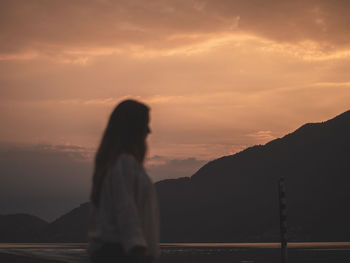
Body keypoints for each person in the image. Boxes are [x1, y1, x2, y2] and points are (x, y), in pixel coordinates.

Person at [88, 99, 160, 263]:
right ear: (132, 129)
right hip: (123, 254)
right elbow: (126, 210)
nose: (149, 131)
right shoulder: (124, 163)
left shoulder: (116, 165)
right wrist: (137, 250)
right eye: (145, 124)